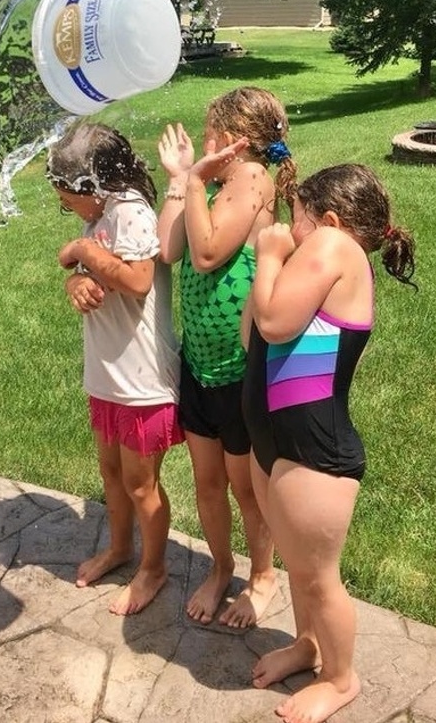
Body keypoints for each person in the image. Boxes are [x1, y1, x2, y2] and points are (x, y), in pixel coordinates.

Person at [243, 164, 416, 722]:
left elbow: (271, 324)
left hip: (316, 450)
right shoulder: (317, 257)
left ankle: (341, 680)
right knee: (298, 566)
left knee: (319, 576)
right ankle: (307, 645)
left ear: (332, 221)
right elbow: (253, 331)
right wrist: (268, 261)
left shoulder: (336, 247)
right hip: (277, 440)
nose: (291, 234)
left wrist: (269, 258)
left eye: (298, 222)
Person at [157, 86, 298, 628]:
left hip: (239, 369)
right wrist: (180, 178)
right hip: (200, 361)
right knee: (208, 482)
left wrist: (194, 181)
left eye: (208, 128)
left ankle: (261, 575)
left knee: (245, 486)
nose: (203, 137)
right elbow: (171, 250)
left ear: (234, 140)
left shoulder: (252, 180)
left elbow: (209, 251)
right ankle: (220, 568)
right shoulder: (216, 184)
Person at [47, 120, 184, 616]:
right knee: (111, 472)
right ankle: (121, 548)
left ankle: (153, 568)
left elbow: (140, 279)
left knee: (141, 484)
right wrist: (74, 281)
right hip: (108, 372)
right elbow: (92, 273)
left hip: (141, 379)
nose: (64, 203)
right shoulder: (100, 215)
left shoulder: (130, 212)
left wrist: (82, 252)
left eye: (66, 194)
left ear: (93, 183)